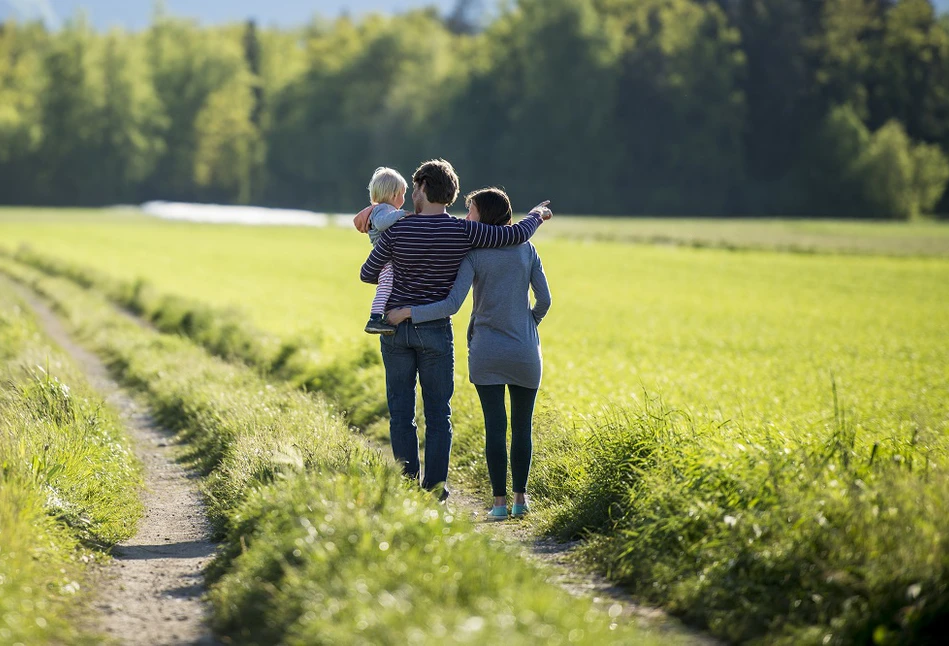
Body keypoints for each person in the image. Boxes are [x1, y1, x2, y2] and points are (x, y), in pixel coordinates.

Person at [359, 159, 552, 501]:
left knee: (401, 411)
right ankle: (435, 490)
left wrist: (389, 237)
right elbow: (516, 234)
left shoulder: (398, 230)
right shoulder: (463, 231)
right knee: (438, 412)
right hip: (434, 330)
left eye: (413, 188)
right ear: (450, 194)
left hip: (394, 329)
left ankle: (406, 485)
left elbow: (368, 273)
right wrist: (536, 214)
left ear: (420, 188)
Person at [358, 167, 409, 335]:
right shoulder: (383, 209)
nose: (404, 198)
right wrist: (401, 214)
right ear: (394, 194)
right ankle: (374, 318)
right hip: (385, 258)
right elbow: (381, 224)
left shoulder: (384, 209)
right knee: (386, 284)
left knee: (389, 284)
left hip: (387, 256)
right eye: (402, 194)